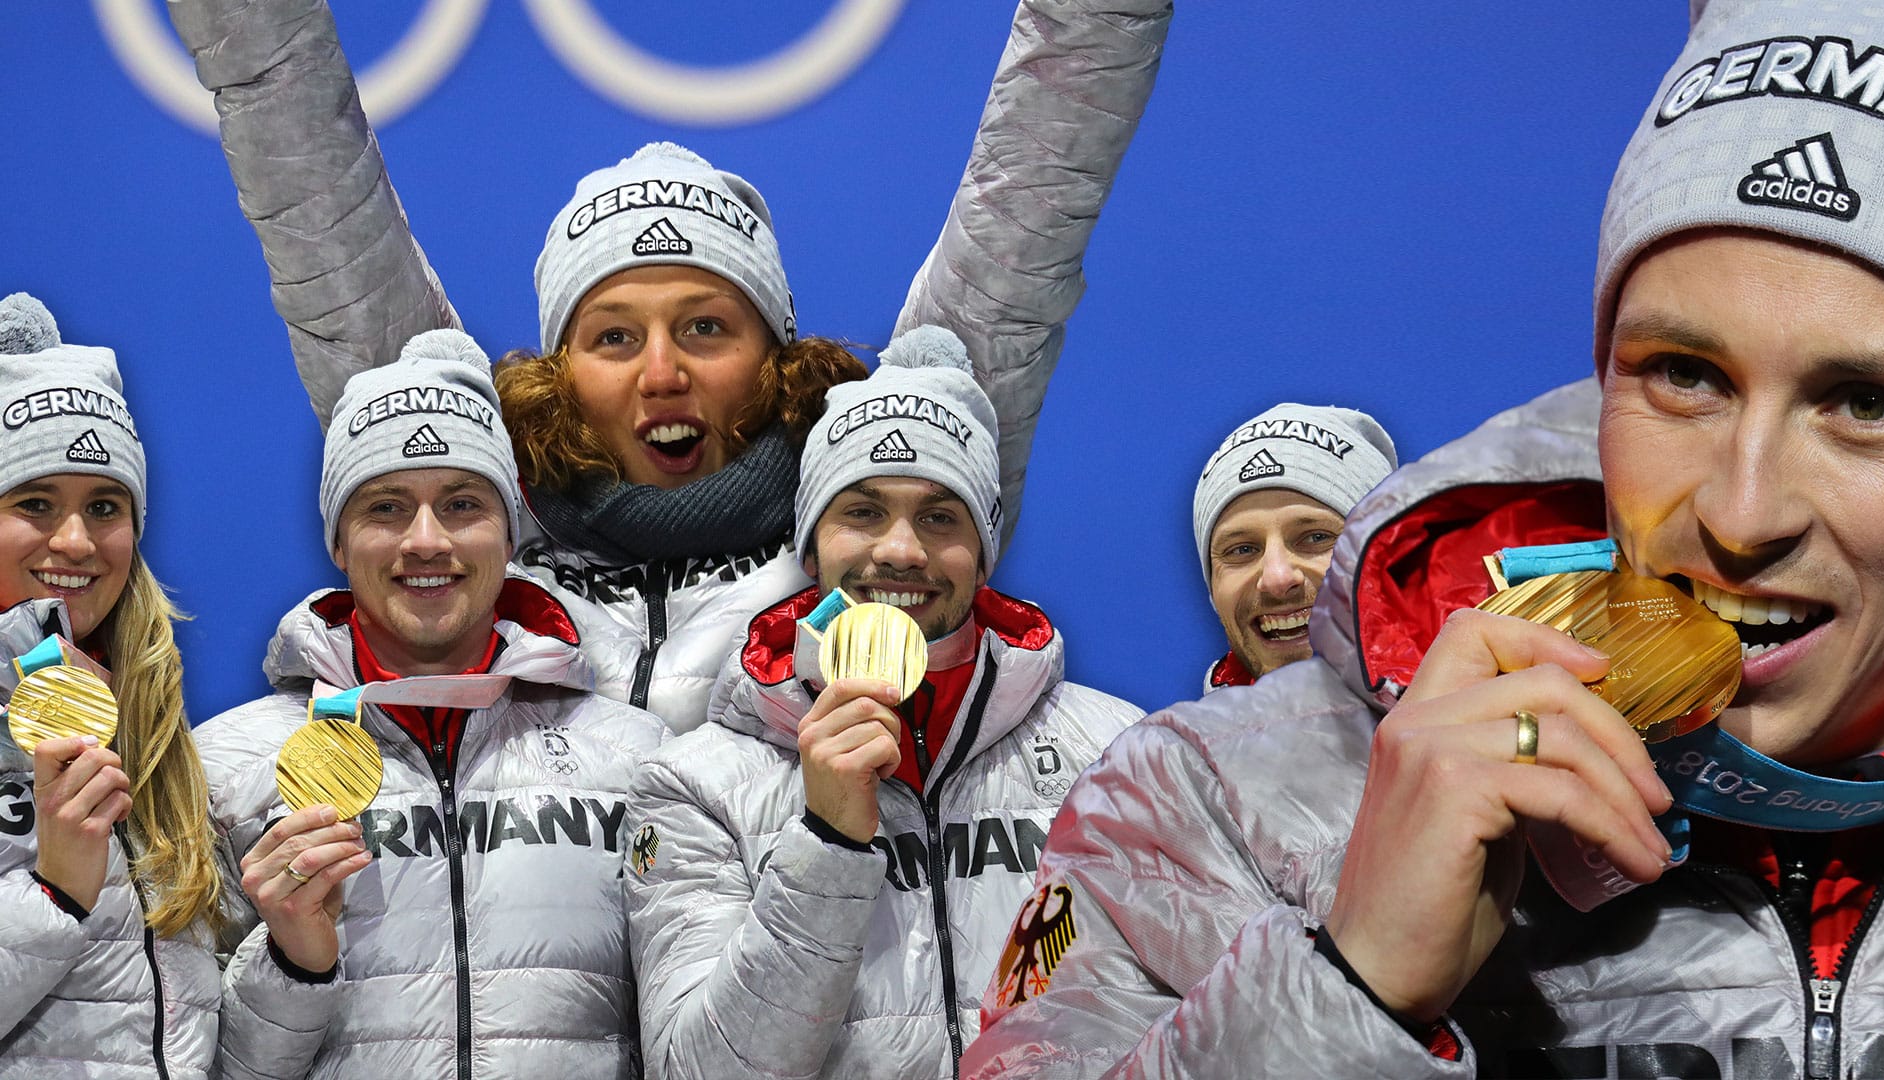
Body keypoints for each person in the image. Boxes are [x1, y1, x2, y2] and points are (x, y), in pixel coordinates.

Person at [963, 2, 1884, 1076]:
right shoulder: (1208, 806)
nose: (1741, 518)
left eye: (1868, 403)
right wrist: (1349, 988)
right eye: (1685, 376)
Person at [166, 0, 1172, 731]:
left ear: (776, 361)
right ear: (558, 374)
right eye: (613, 337)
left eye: (704, 329)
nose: (661, 373)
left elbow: (1029, 210)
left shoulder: (878, 518)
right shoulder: (471, 521)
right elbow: (322, 216)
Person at [625, 327, 1141, 1079]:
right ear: (810, 548)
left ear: (984, 547)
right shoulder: (694, 786)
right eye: (862, 512)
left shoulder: (1118, 754)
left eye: (940, 517)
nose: (901, 550)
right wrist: (826, 842)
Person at [193, 330, 667, 1079]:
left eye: (461, 504)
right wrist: (292, 963)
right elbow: (191, 1064)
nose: (425, 541)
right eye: (386, 506)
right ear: (339, 543)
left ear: (510, 534)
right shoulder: (223, 770)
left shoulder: (637, 759)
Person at [0, 293, 222, 1077]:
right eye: (34, 503)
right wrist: (54, 892)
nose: (76, 541)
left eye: (105, 506)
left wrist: (299, 972)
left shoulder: (160, 737)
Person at [1192, 403, 1395, 691]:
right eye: (1242, 550)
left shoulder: (1478, 724)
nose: (1277, 578)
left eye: (1316, 537)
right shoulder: (1187, 736)